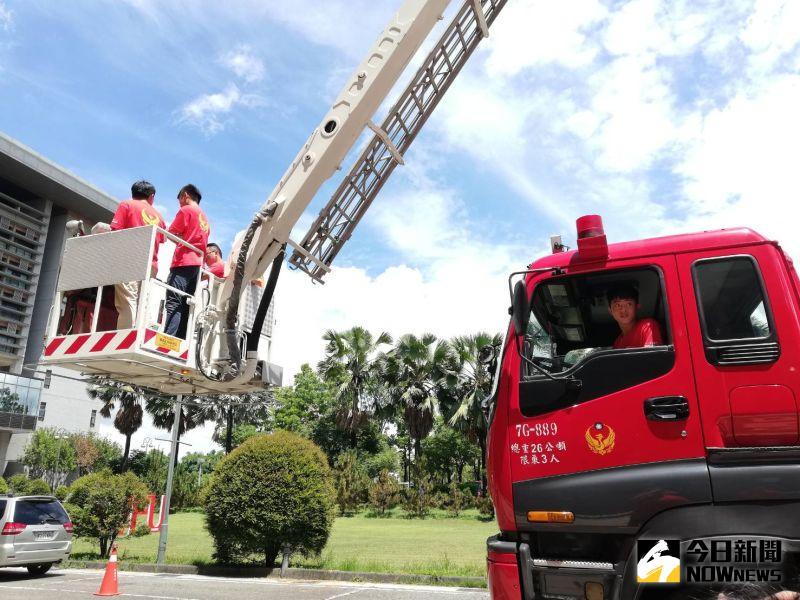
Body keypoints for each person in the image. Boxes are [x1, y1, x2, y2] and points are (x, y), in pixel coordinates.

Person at [109, 180, 166, 329]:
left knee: (128, 299)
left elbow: (115, 231)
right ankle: (139, 334)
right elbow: (162, 240)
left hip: (128, 258)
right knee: (143, 302)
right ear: (151, 196)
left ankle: (125, 337)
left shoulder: (126, 205)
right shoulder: (159, 216)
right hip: (150, 264)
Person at [163, 184, 210, 339]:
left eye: (180, 201)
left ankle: (168, 340)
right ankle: (180, 341)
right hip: (197, 265)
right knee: (186, 304)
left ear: (185, 195)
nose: (180, 205)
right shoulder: (205, 218)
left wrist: (182, 241)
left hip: (183, 261)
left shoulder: (187, 210)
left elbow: (171, 233)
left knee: (173, 302)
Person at [607, 284, 663, 349]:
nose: (623, 310)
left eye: (629, 304)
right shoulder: (617, 342)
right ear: (610, 310)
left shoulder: (648, 326)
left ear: (637, 306)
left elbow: (653, 357)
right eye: (618, 305)